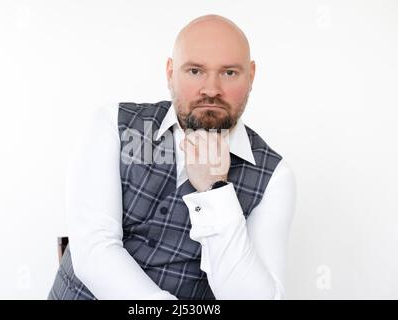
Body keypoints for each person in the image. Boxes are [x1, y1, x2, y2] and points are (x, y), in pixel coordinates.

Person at [48, 14, 296, 300]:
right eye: (195, 71)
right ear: (170, 72)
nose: (211, 89)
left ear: (251, 76)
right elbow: (93, 251)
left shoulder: (275, 176)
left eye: (229, 72)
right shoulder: (112, 124)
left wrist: (215, 190)